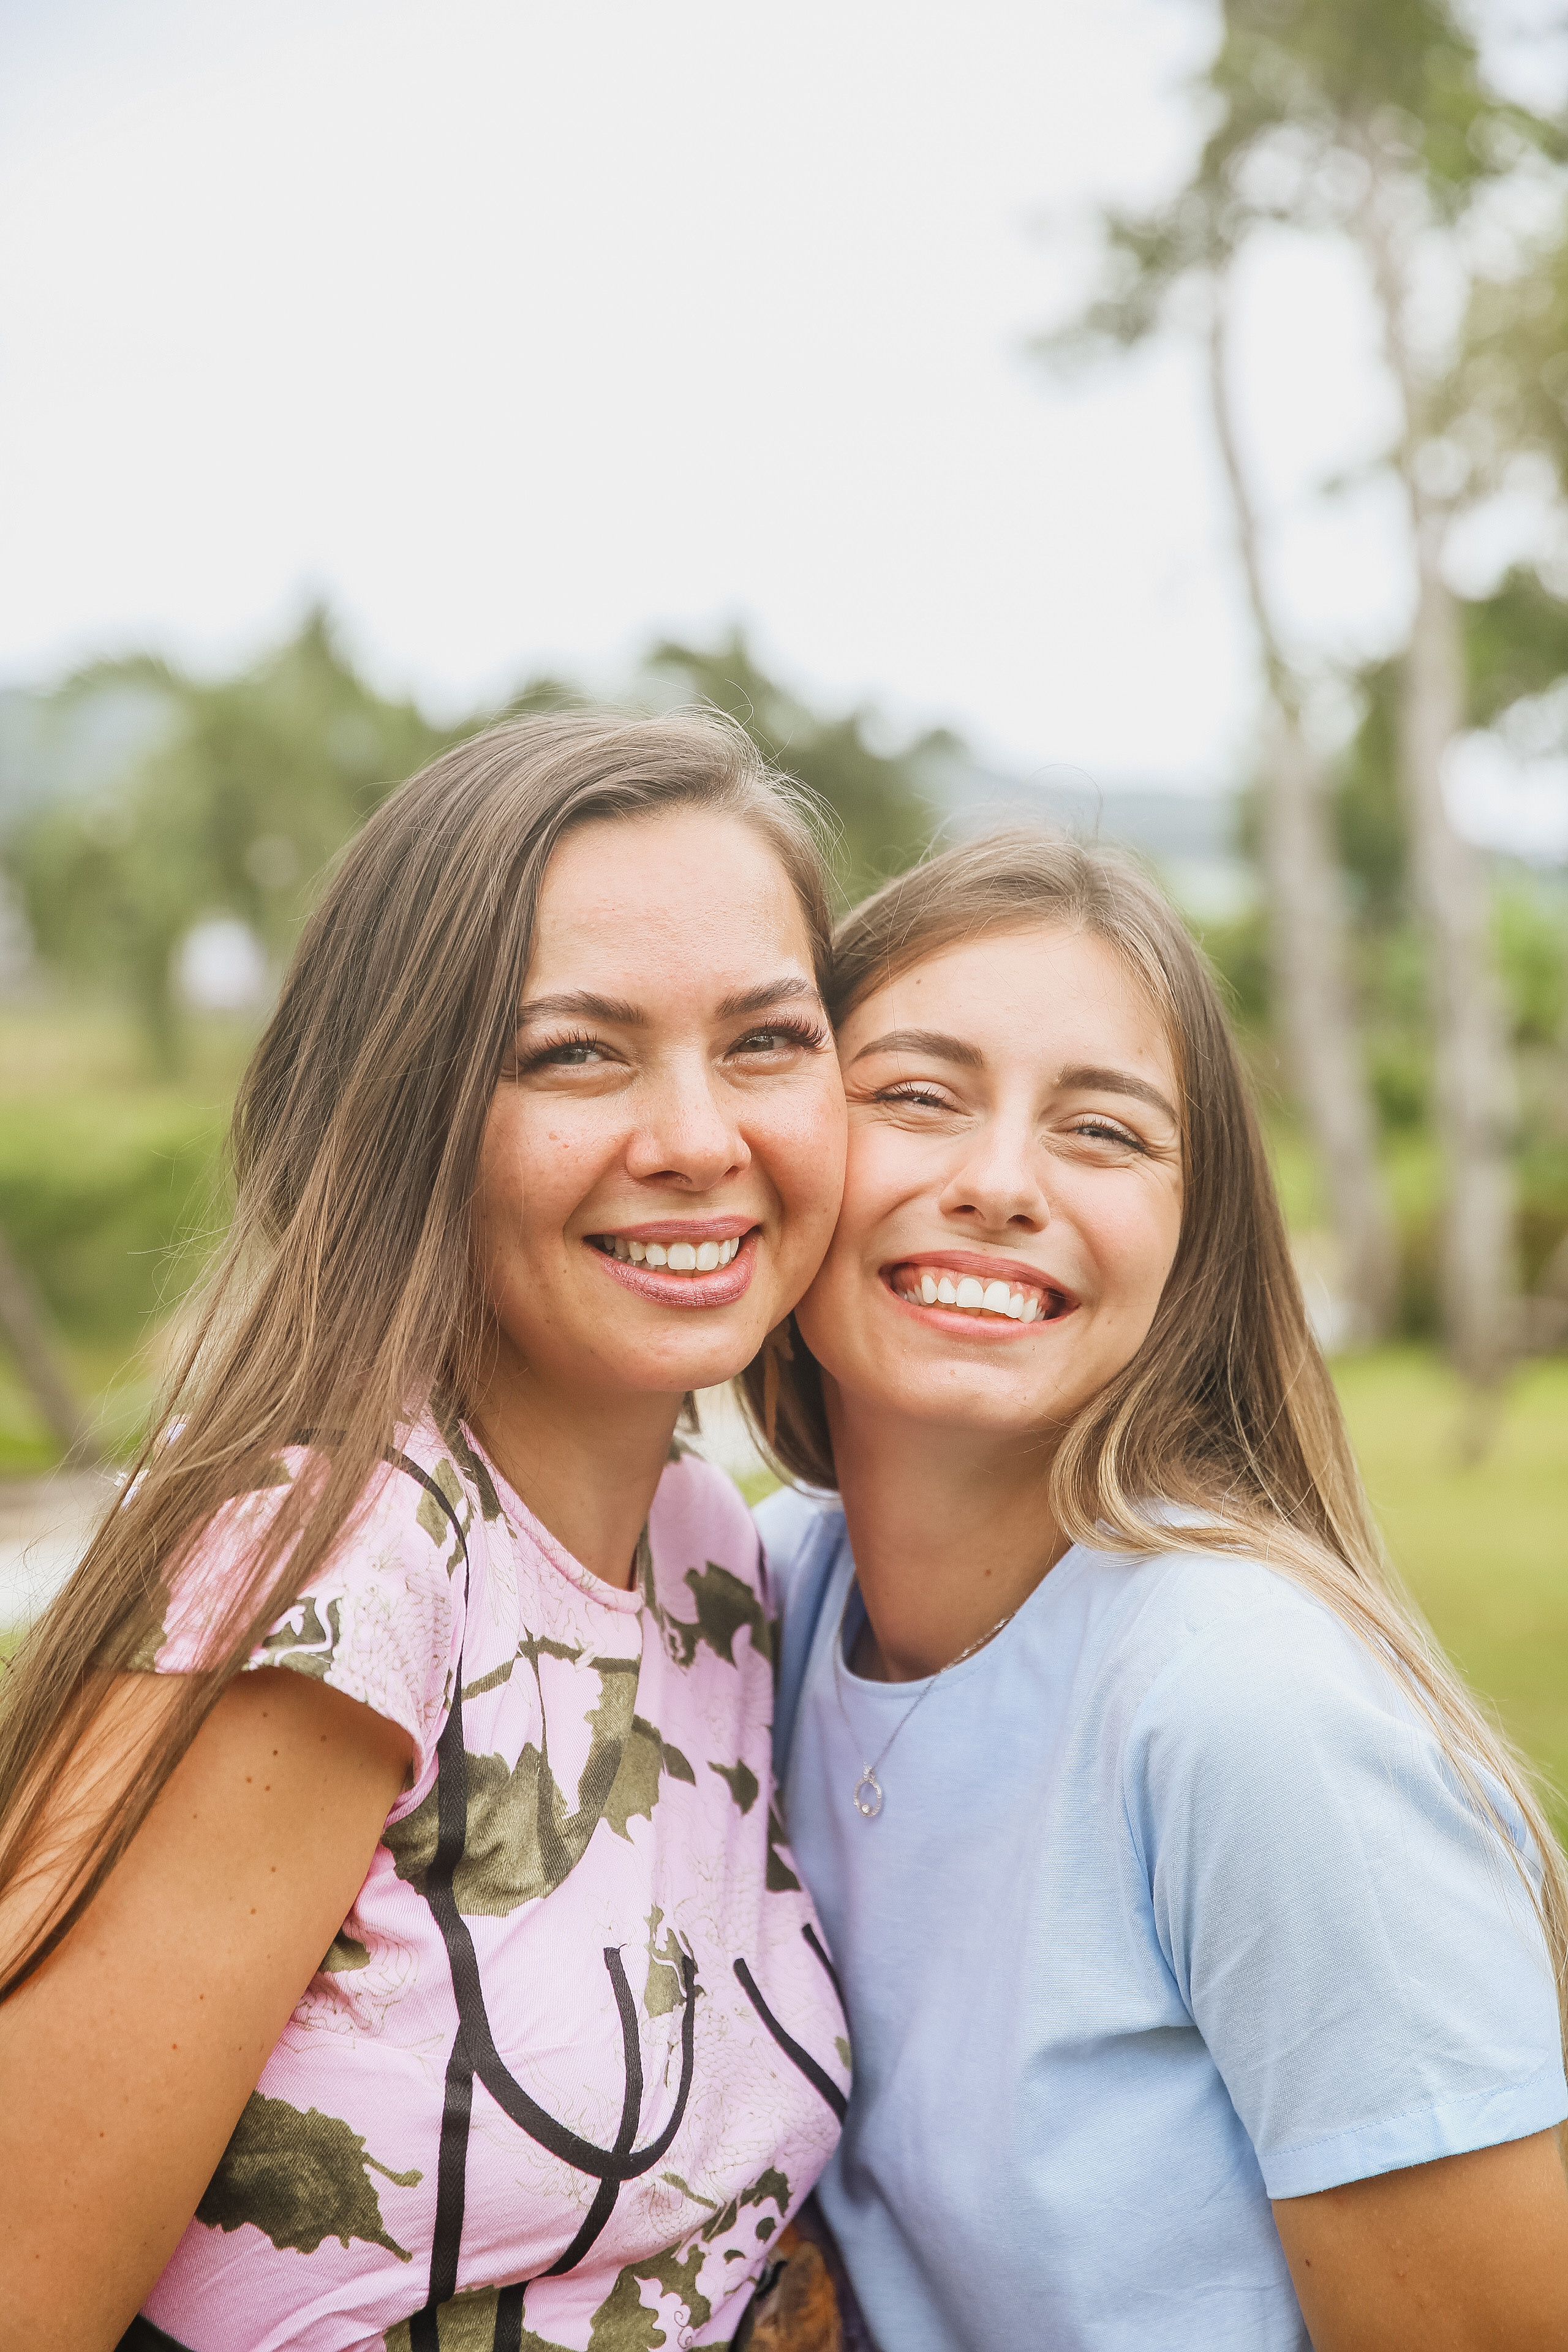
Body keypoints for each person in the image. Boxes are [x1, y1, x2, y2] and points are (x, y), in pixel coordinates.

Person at [0, 711, 854, 2352]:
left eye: (766, 1040)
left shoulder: (718, 1563)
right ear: (405, 1114)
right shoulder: (328, 1581)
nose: (696, 1136)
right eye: (574, 1053)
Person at [747, 828, 1568, 2352]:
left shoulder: (1244, 1711)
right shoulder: (768, 1599)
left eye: (1104, 1133)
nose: (997, 1184)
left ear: (1193, 1244)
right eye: (915, 1097)